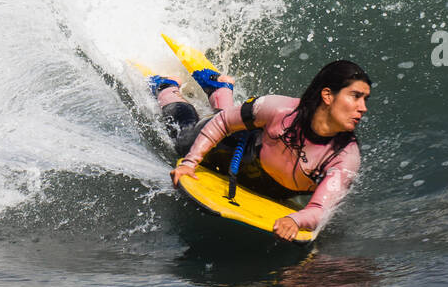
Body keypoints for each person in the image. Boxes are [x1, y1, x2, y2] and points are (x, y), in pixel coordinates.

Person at [149, 60, 370, 241]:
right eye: (355, 96)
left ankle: (221, 89)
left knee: (229, 117)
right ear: (328, 96)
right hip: (235, 150)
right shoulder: (280, 109)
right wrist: (189, 163)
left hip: (273, 187)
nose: (363, 107)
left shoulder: (345, 156)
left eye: (365, 99)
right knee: (183, 138)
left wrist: (296, 220)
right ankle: (167, 88)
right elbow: (224, 123)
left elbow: (320, 208)